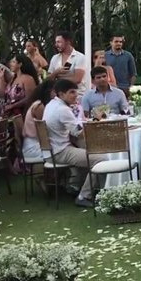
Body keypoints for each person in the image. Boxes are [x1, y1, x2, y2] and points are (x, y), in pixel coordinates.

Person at [43, 79, 106, 208]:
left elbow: (74, 129)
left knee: (87, 150)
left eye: (76, 92)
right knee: (100, 159)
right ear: (61, 94)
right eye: (71, 92)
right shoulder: (62, 110)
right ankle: (84, 195)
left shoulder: (51, 104)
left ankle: (77, 186)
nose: (75, 95)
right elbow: (79, 133)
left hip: (52, 149)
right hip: (60, 151)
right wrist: (96, 120)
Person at [21, 80, 55, 163]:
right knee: (62, 152)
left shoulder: (38, 104)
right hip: (33, 146)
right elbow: (44, 130)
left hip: (37, 143)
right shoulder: (39, 106)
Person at [48, 31, 89, 96]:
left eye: (59, 42)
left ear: (68, 42)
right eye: (56, 42)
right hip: (59, 95)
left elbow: (77, 79)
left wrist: (58, 79)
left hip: (78, 94)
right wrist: (56, 72)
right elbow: (49, 79)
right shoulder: (55, 58)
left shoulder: (80, 57)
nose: (56, 45)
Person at [4, 54, 39, 119]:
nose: (10, 64)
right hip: (9, 114)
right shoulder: (13, 78)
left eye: (13, 62)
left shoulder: (28, 79)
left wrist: (13, 106)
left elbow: (30, 98)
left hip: (22, 114)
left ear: (20, 64)